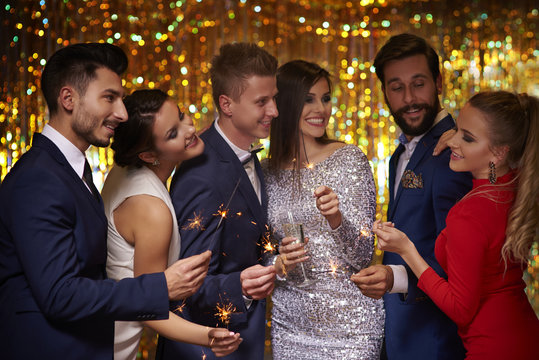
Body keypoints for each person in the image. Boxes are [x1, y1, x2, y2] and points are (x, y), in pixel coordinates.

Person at [0, 43, 209, 359]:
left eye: (121, 100)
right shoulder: (38, 179)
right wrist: (160, 287)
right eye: (109, 98)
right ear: (68, 99)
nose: (122, 113)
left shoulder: (71, 170)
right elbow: (60, 295)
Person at [374, 90, 539, 358]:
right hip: (525, 335)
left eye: (467, 137)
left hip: (492, 348)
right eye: (457, 129)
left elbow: (460, 309)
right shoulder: (516, 185)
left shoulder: (468, 213)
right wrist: (461, 137)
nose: (452, 141)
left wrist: (407, 250)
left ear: (498, 153)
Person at [350, 33, 472, 359]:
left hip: (435, 341)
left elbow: (460, 264)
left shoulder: (453, 153)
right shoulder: (401, 153)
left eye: (418, 84)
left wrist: (394, 277)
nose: (409, 98)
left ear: (438, 82)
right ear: (385, 92)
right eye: (396, 87)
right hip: (401, 336)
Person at [156, 43, 278, 359]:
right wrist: (242, 287)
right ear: (227, 104)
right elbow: (186, 287)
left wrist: (276, 259)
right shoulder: (202, 174)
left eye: (274, 98)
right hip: (208, 349)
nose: (274, 111)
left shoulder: (246, 154)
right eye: (262, 102)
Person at [101, 89, 242, 359]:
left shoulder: (124, 168)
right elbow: (148, 306)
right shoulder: (152, 210)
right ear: (147, 154)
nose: (189, 128)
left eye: (181, 116)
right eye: (172, 133)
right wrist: (208, 336)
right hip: (114, 342)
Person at [263, 60, 385, 359]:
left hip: (351, 326)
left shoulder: (349, 159)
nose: (321, 108)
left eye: (326, 98)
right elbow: (258, 252)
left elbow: (362, 254)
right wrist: (276, 262)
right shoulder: (264, 170)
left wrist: (336, 218)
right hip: (289, 323)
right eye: (309, 99)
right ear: (285, 104)